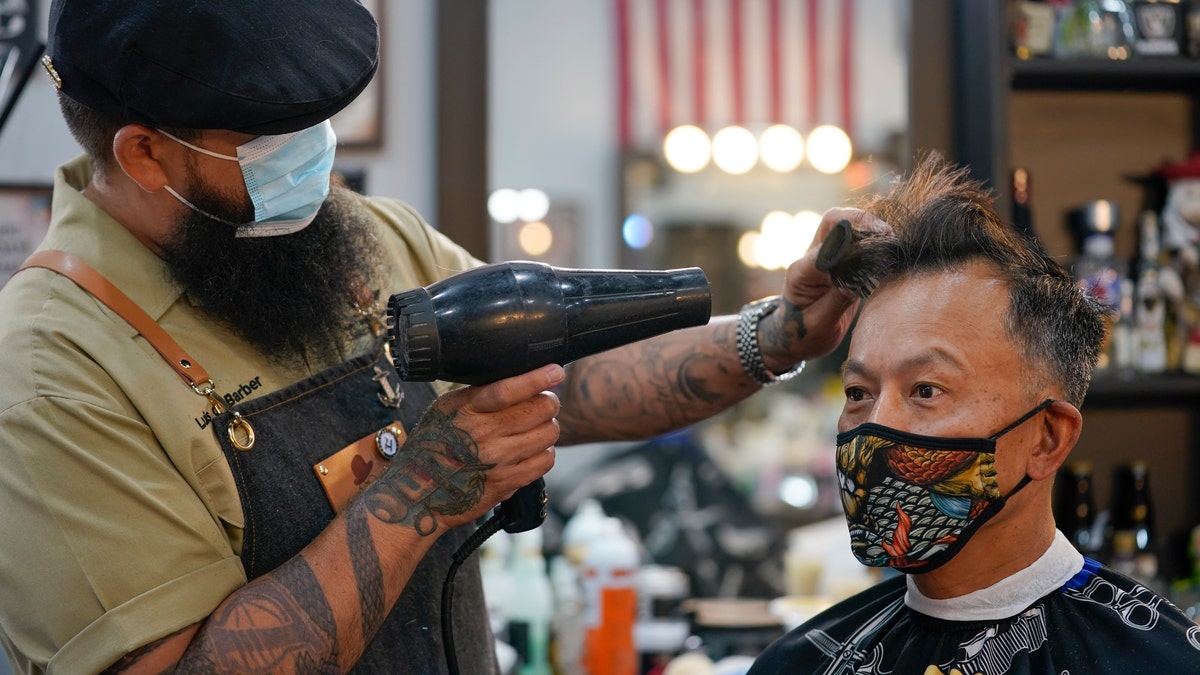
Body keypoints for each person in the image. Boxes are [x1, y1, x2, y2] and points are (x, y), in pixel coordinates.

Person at [0, 2, 866, 673]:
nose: (316, 154)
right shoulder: (54, 369)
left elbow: (568, 375)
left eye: (318, 117)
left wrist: (778, 334)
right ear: (147, 154)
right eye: (271, 134)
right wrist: (422, 489)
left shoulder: (352, 238)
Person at [748, 156, 1200, 674]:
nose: (877, 424)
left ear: (1048, 437)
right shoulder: (798, 663)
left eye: (925, 389)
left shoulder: (1161, 661)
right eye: (858, 391)